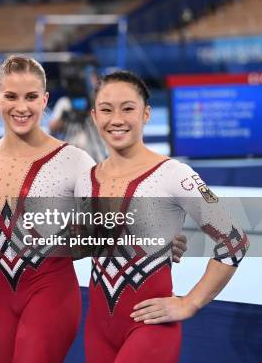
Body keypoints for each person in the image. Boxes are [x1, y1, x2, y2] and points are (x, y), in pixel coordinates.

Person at [75, 70, 249, 362]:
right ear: (94, 116)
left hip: (151, 329)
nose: (116, 119)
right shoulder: (86, 178)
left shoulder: (174, 175)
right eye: (106, 110)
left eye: (128, 108)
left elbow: (235, 240)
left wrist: (191, 302)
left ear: (146, 114)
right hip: (98, 328)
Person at [0, 55, 95, 362]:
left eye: (31, 97)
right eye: (11, 96)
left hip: (50, 294)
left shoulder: (75, 161)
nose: (21, 107)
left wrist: (157, 236)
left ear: (46, 99)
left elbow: (107, 228)